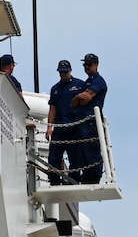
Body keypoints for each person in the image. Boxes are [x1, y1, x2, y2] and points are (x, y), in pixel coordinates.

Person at [46, 59, 87, 184]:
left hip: (73, 127)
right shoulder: (55, 89)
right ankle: (54, 180)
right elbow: (53, 108)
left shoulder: (79, 85)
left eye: (65, 72)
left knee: (74, 157)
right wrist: (49, 127)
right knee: (54, 157)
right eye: (61, 72)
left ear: (70, 70)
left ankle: (74, 180)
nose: (63, 74)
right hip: (59, 128)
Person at [72, 53, 108, 184]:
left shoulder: (99, 81)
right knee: (83, 150)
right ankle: (86, 176)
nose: (86, 67)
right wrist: (78, 97)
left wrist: (79, 98)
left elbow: (86, 99)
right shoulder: (85, 83)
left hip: (91, 122)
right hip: (82, 121)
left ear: (96, 65)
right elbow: (75, 102)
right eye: (84, 64)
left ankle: (93, 176)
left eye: (89, 64)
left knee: (91, 149)